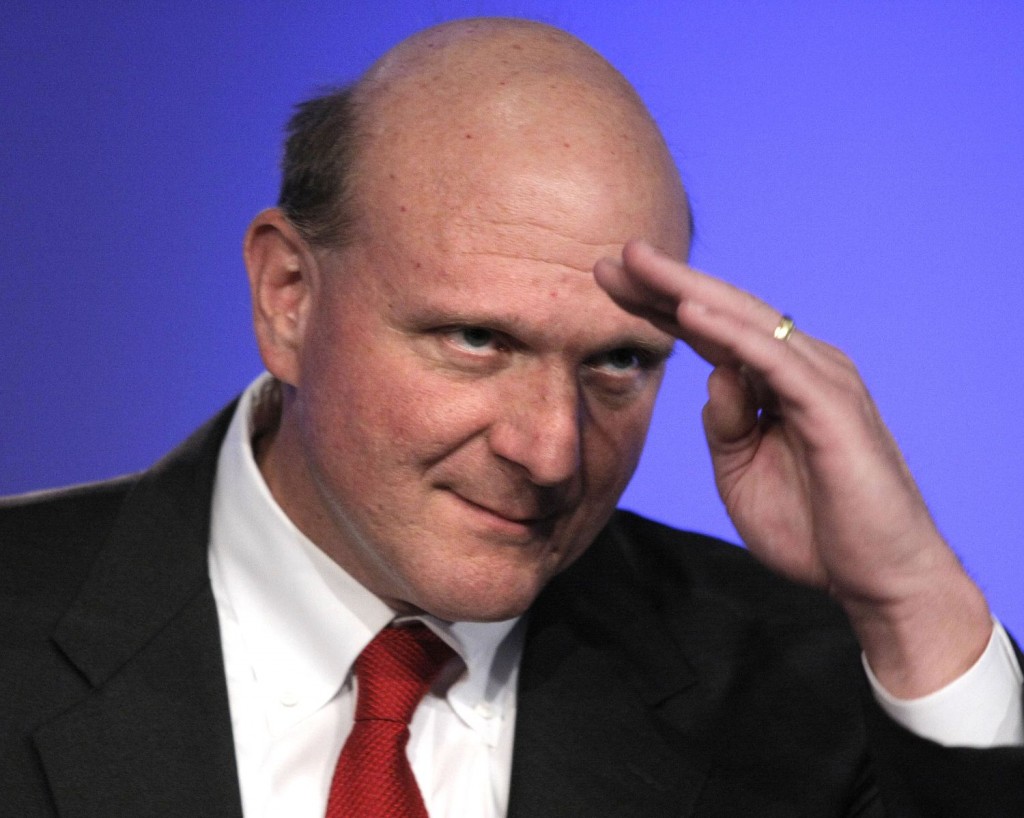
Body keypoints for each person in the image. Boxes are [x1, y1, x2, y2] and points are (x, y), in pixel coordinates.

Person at [2, 17, 1022, 817]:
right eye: (478, 339)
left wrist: (912, 596)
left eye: (618, 361)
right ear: (288, 297)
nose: (550, 449)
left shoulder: (802, 694)